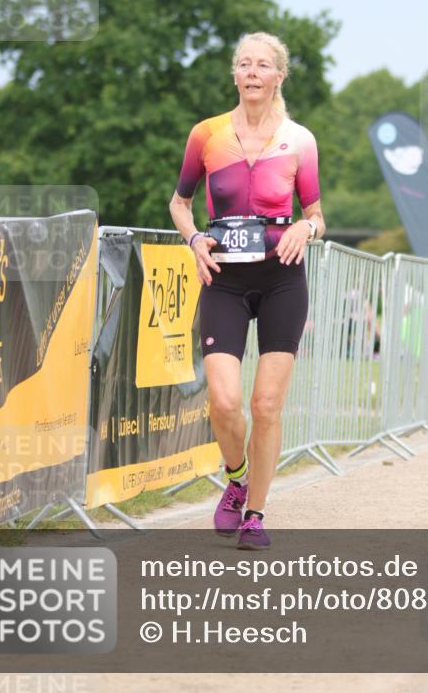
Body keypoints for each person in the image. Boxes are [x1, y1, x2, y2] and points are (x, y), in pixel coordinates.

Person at [169, 31, 324, 550]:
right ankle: (235, 480)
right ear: (234, 75)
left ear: (279, 76)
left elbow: (315, 213)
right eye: (244, 64)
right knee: (224, 399)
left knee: (266, 405)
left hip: (282, 278)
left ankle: (255, 513)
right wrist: (194, 239)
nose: (253, 72)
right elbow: (179, 202)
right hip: (225, 281)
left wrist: (308, 228)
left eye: (263, 65)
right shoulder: (206, 135)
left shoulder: (300, 139)